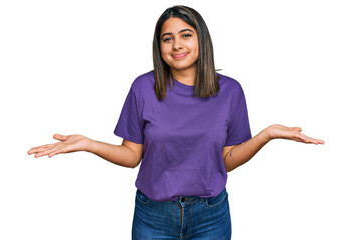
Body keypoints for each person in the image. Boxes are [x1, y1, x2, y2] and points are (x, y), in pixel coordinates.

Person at [28, 5, 324, 240]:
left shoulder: (230, 91)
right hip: (153, 215)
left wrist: (266, 135)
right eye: (167, 38)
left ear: (201, 39)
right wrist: (90, 144)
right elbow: (132, 156)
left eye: (186, 35)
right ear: (159, 46)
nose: (176, 44)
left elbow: (227, 160)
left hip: (211, 215)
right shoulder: (143, 87)